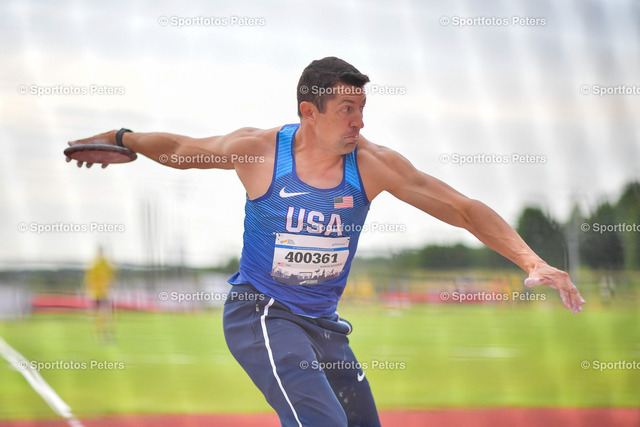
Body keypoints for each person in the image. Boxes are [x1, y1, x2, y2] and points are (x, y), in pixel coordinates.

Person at [67, 57, 586, 426]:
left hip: (324, 325)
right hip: (261, 312)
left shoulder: (374, 164)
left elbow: (463, 209)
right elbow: (181, 149)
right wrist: (121, 139)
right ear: (308, 112)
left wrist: (531, 260)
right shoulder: (258, 151)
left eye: (362, 109)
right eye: (346, 109)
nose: (359, 122)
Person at [85, 245, 115, 343]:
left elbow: (110, 276)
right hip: (99, 294)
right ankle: (103, 335)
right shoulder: (98, 264)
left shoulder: (97, 263)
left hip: (100, 293)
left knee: (102, 315)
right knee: (102, 315)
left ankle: (103, 334)